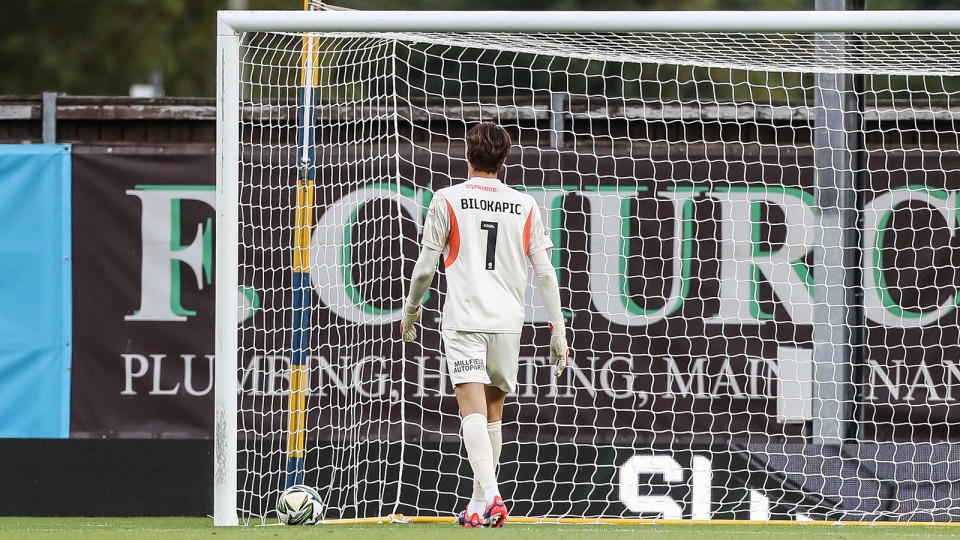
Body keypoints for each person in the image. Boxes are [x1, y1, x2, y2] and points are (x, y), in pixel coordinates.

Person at [399, 122, 568, 528]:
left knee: (471, 411)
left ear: (467, 155)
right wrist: (558, 330)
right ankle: (477, 505)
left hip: (465, 320)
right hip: (508, 323)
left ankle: (492, 496)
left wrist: (411, 310)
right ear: (505, 160)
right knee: (493, 413)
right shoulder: (525, 204)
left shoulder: (447, 199)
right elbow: (546, 274)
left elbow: (425, 268)